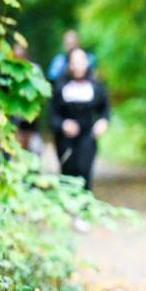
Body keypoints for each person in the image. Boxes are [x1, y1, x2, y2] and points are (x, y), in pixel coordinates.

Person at [49, 48, 110, 192]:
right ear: (69, 64)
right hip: (65, 138)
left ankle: (84, 207)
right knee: (68, 173)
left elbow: (105, 110)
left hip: (87, 135)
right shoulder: (60, 86)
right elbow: (52, 115)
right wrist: (63, 125)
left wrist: (102, 122)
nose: (79, 65)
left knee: (84, 171)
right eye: (75, 62)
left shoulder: (96, 85)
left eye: (82, 61)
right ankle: (67, 208)